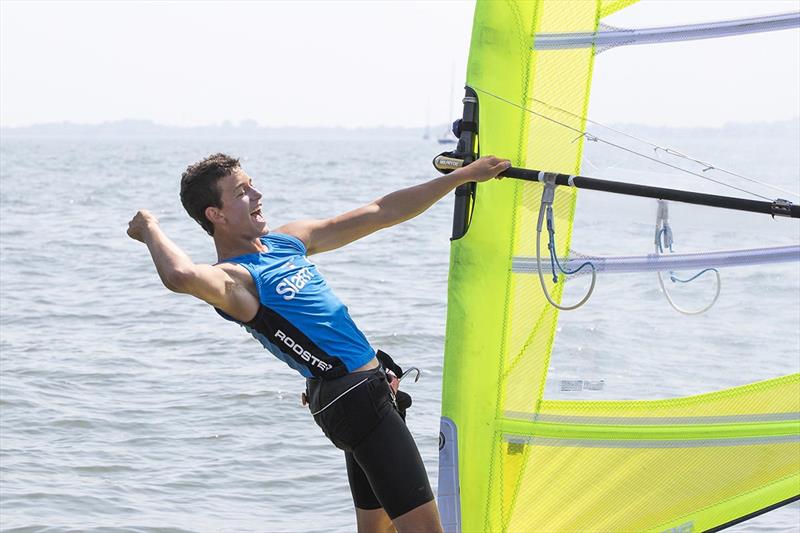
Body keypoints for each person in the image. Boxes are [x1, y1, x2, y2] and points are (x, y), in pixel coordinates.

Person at [127, 153, 510, 532]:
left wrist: (462, 177)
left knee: (377, 530)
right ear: (216, 214)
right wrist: (149, 226)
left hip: (352, 394)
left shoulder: (287, 242)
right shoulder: (234, 280)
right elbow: (179, 274)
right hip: (356, 401)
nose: (258, 195)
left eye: (253, 184)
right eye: (243, 192)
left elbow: (381, 210)